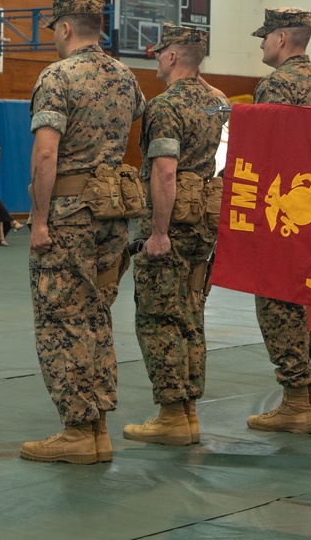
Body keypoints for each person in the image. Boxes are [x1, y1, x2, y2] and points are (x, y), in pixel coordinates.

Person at [21, 0, 145, 464]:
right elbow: (135, 121)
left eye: (55, 29)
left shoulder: (57, 77)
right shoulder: (125, 76)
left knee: (60, 319)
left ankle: (77, 429)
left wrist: (37, 219)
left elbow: (46, 154)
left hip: (69, 215)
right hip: (111, 214)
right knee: (95, 315)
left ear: (67, 29)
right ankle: (98, 429)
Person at [122, 24, 224, 447]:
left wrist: (158, 232)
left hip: (172, 226)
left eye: (160, 51)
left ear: (171, 57)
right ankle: (188, 411)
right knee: (191, 316)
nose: (157, 58)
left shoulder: (164, 107)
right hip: (204, 224)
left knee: (160, 317)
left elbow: (165, 171)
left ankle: (171, 415)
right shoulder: (217, 104)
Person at [247, 8, 311, 434]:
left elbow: (263, 147)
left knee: (277, 300)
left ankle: (296, 402)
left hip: (281, 205)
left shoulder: (276, 84)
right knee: (308, 300)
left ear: (282, 38)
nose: (262, 44)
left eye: (265, 37)